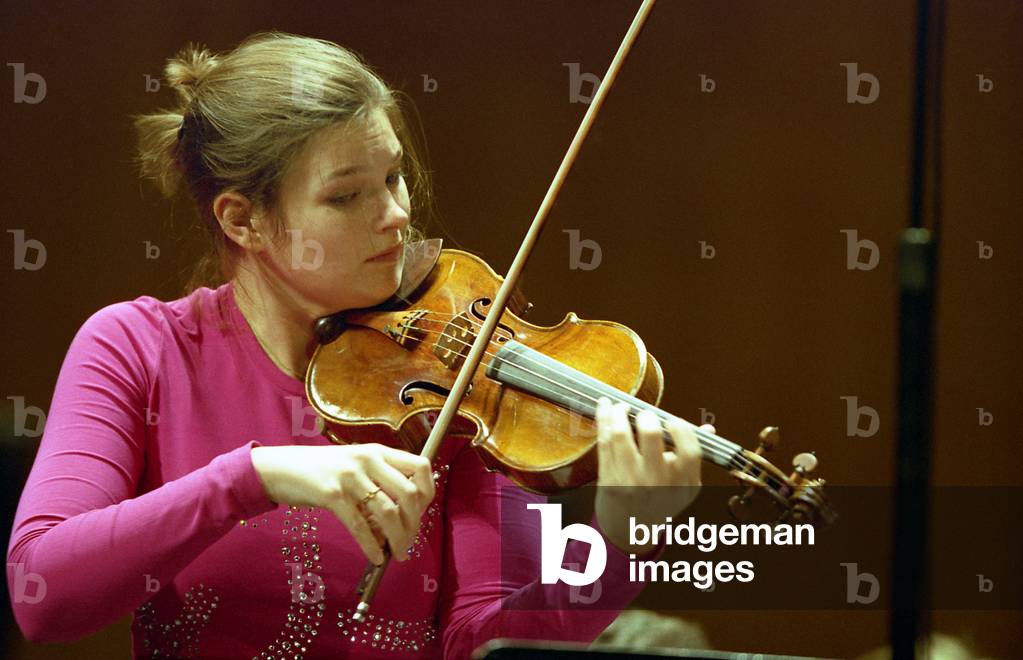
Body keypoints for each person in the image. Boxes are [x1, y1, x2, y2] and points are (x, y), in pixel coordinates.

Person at [5, 32, 708, 658]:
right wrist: (253, 478)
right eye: (347, 197)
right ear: (243, 219)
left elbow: (482, 647)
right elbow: (44, 597)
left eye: (393, 177)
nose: (397, 213)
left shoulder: (456, 384)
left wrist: (617, 542)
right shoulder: (139, 347)